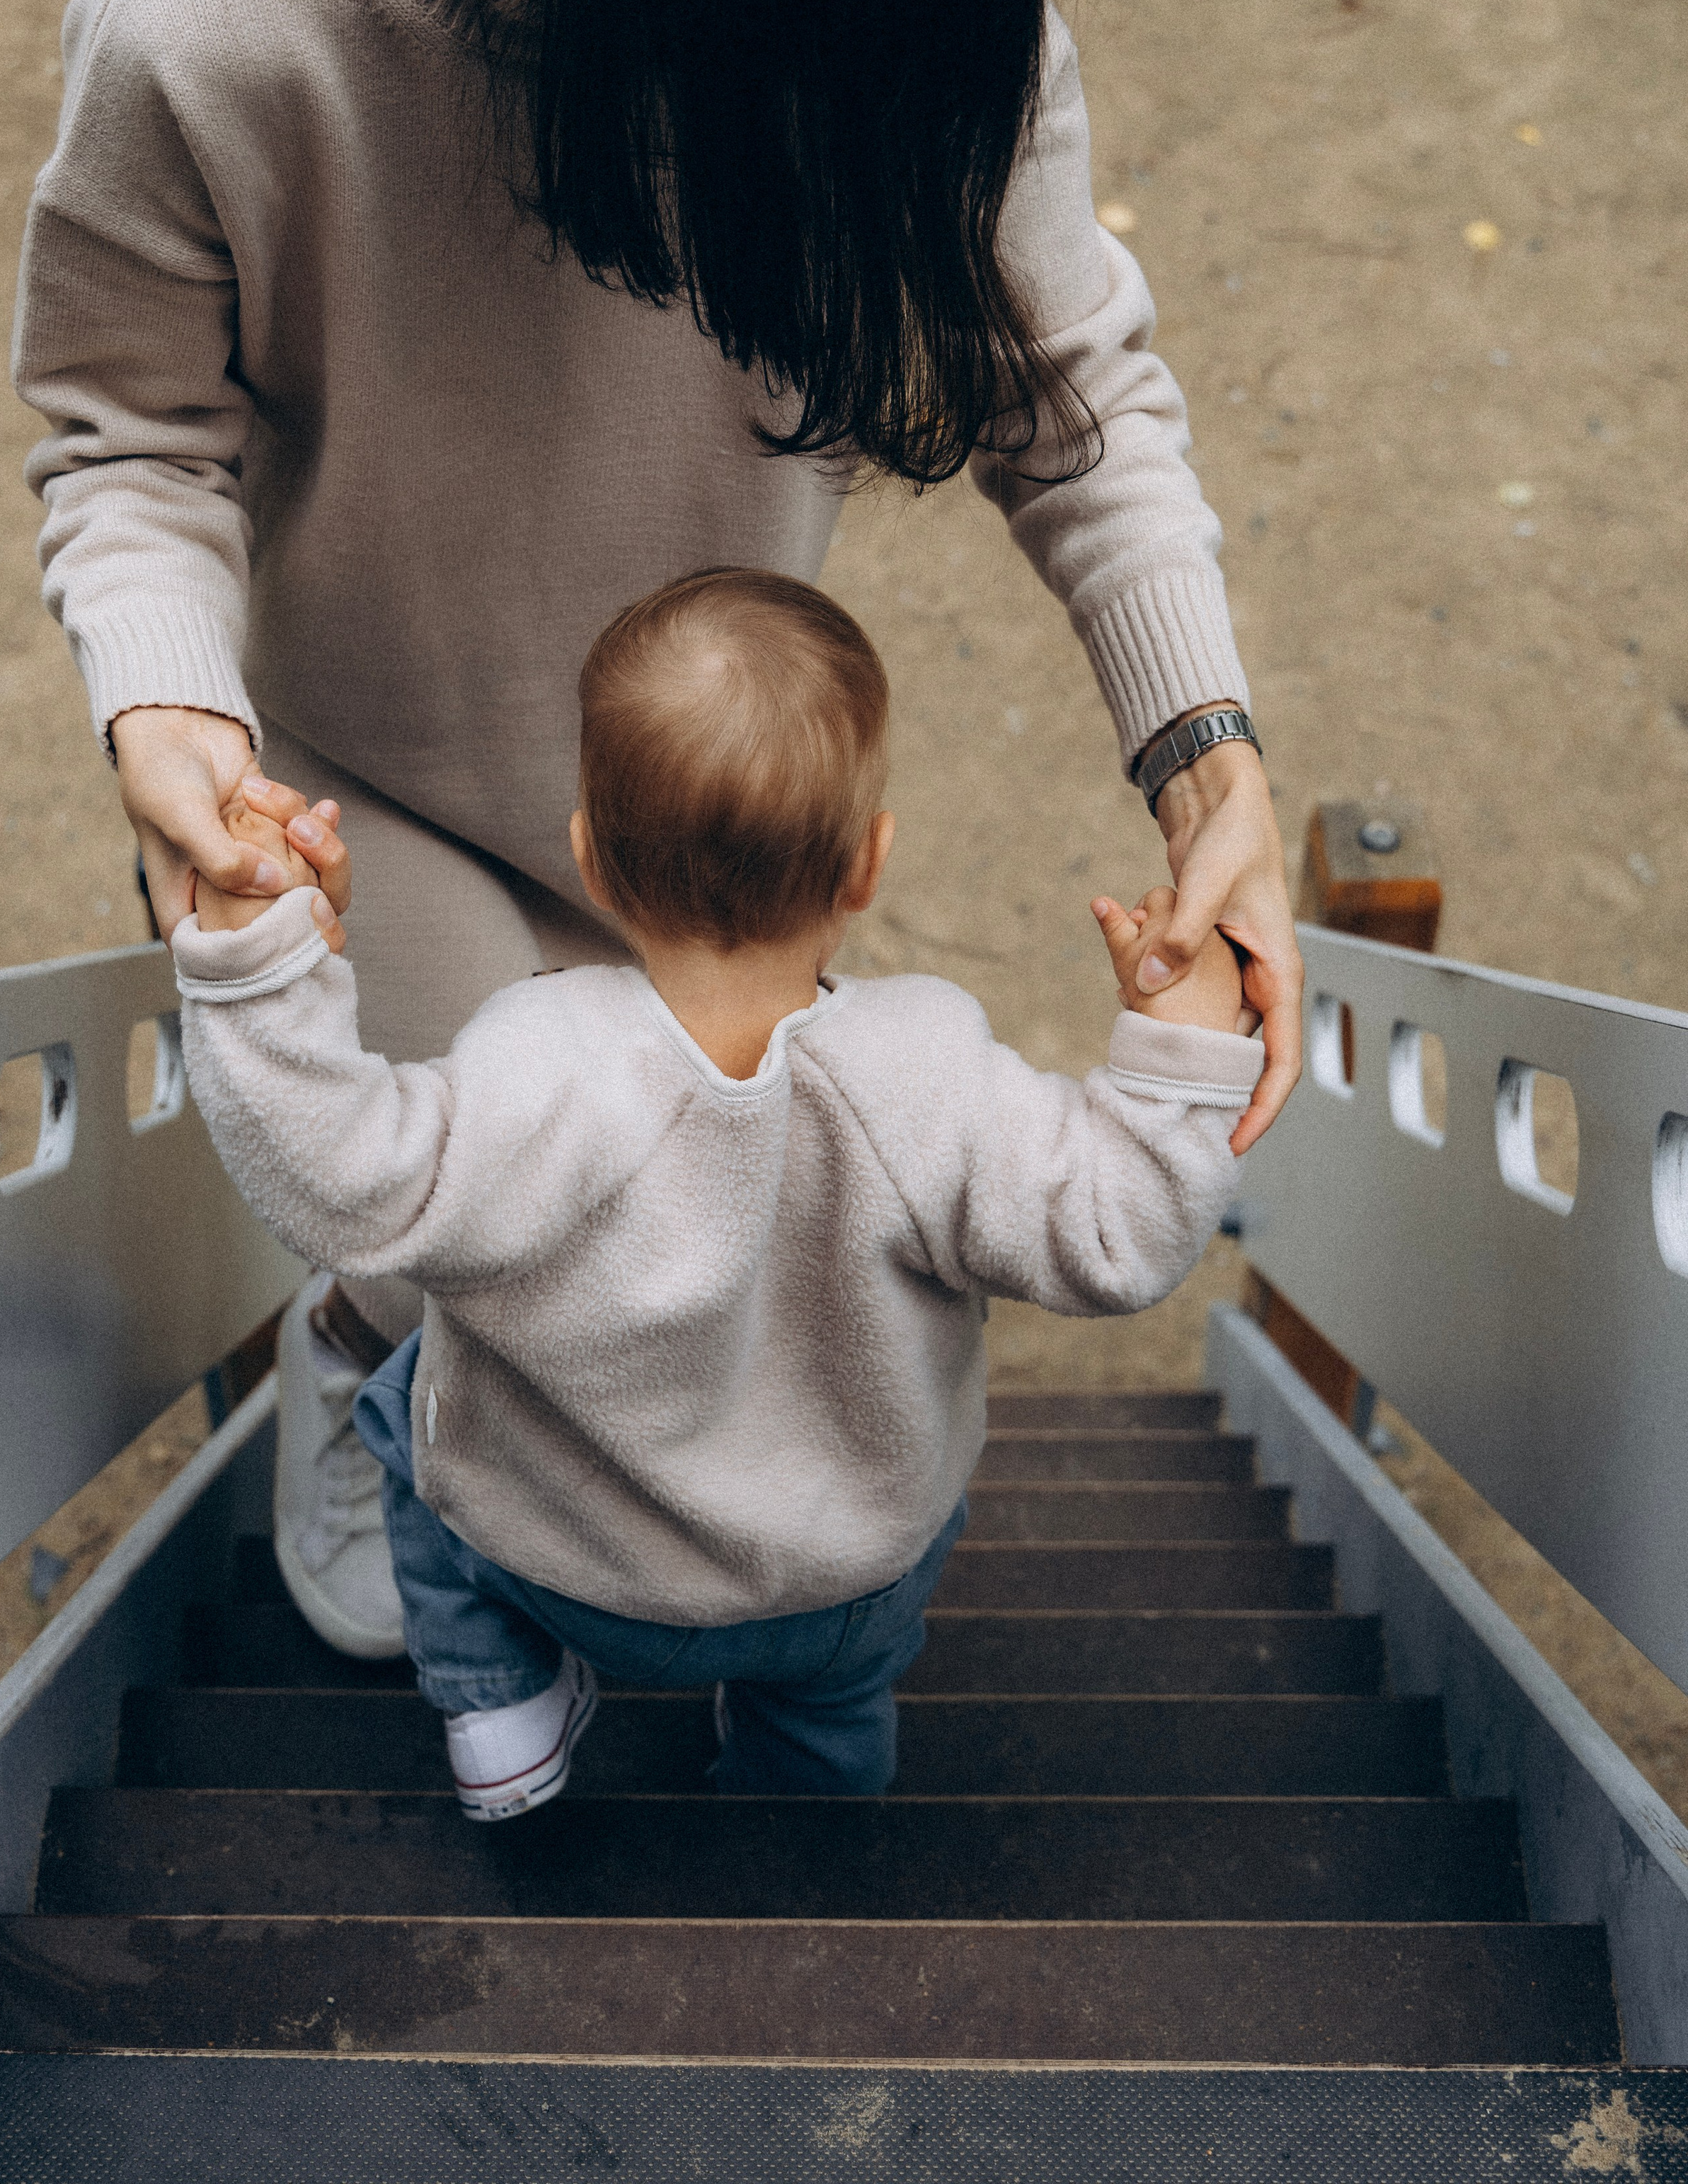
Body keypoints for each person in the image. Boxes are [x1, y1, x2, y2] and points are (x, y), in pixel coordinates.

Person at [13, 0, 1301, 1660]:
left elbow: (1074, 389)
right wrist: (168, 711)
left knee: (647, 1223)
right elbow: (125, 427)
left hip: (692, 789)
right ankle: (363, 1368)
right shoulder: (233, 9)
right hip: (369, 777)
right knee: (436, 1217)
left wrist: (1207, 752)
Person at [172, 571, 1263, 1810]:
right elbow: (1121, 1234)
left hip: (568, 1569)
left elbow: (335, 1180)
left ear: (588, 855)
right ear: (868, 865)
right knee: (835, 1705)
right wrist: (1181, 1046)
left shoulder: (541, 1068)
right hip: (850, 1587)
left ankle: (498, 1711)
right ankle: (804, 1815)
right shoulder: (935, 1077)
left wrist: (262, 960)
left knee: (398, 1408)